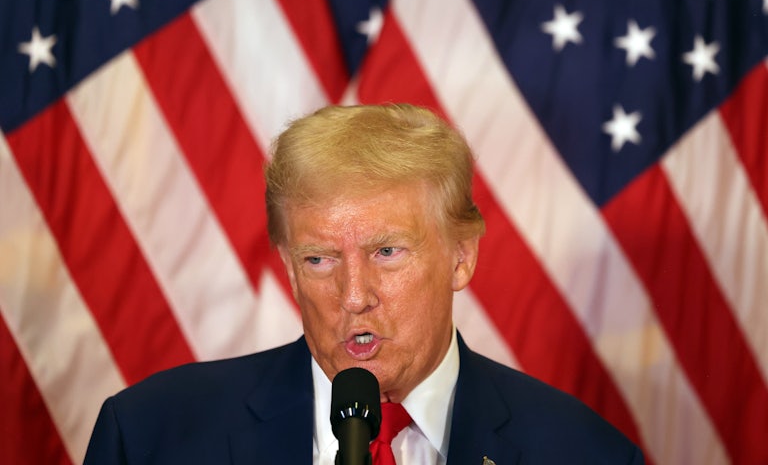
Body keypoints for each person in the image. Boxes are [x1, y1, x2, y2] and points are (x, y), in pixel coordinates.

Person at [84, 103, 644, 464]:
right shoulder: (149, 438)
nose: (354, 296)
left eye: (387, 252)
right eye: (320, 260)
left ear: (461, 257)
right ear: (288, 267)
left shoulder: (584, 453)